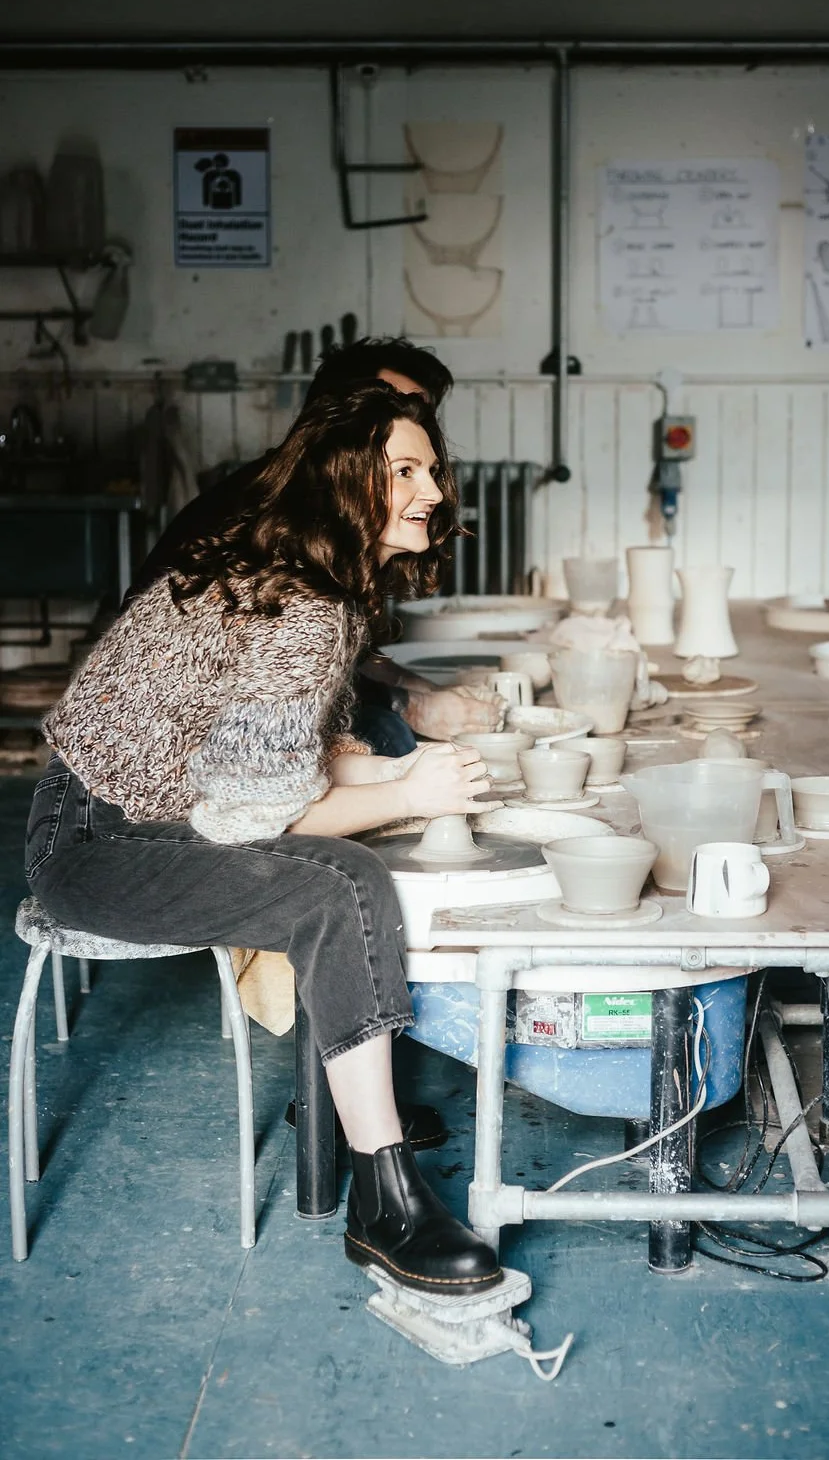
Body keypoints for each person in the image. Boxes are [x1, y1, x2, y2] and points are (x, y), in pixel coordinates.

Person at [26, 383, 502, 1296]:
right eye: (405, 470)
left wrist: (406, 781)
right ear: (345, 483)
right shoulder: (305, 611)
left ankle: (378, 1180)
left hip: (139, 814)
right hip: (92, 843)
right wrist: (409, 785)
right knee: (339, 882)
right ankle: (386, 1200)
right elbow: (248, 817)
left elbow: (271, 768)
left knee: (356, 861)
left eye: (431, 470)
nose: (434, 492)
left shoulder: (300, 583)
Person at [129, 336, 503, 753]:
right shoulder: (270, 510)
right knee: (385, 734)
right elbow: (283, 673)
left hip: (226, 727)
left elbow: (330, 661)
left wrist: (412, 685)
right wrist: (409, 708)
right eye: (386, 404)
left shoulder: (346, 525)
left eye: (422, 414)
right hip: (158, 746)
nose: (412, 425)